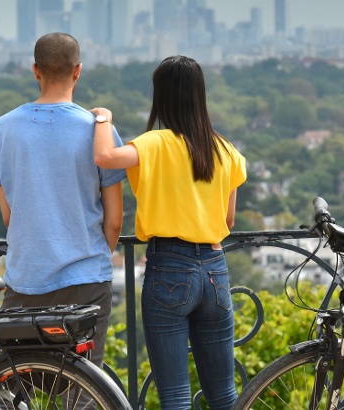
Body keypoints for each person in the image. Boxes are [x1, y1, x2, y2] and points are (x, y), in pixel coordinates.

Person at [90, 55, 247, 410]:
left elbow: (104, 156)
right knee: (224, 395)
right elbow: (229, 219)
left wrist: (103, 116)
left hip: (169, 269)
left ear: (160, 95)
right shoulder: (225, 150)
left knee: (175, 396)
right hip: (216, 271)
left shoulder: (154, 143)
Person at [0, 32, 127, 368]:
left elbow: (9, 216)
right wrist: (91, 256)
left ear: (35, 71)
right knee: (86, 389)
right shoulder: (99, 129)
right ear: (78, 71)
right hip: (87, 278)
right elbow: (115, 220)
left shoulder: (3, 129)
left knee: (19, 385)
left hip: (26, 278)